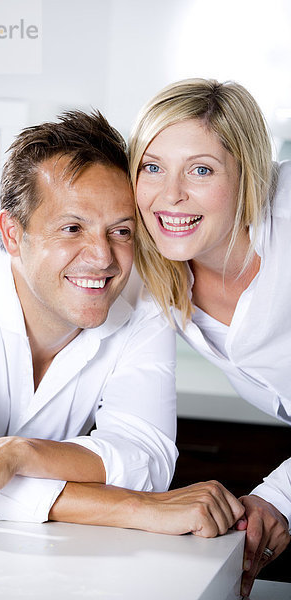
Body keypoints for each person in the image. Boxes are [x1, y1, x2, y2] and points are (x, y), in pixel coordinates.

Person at [0, 110, 244, 538]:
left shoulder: (145, 293)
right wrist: (139, 509)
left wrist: (20, 454)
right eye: (72, 228)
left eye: (121, 231)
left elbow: (146, 457)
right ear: (12, 234)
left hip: (41, 540)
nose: (103, 258)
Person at [129, 78, 291, 597]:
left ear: (247, 174)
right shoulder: (153, 272)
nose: (170, 194)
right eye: (152, 167)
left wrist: (280, 496)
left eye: (200, 169)